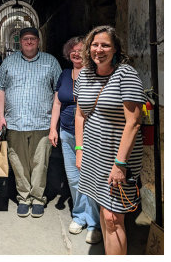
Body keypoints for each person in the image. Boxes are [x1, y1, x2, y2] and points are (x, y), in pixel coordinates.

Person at [74, 25, 146, 255]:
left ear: (115, 48)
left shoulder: (126, 74)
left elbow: (133, 122)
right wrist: (79, 149)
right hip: (94, 156)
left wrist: (120, 164)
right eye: (95, 44)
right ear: (89, 48)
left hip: (118, 159)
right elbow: (79, 114)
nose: (99, 49)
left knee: (113, 218)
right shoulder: (84, 74)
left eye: (105, 45)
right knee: (105, 215)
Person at [0, 27, 62, 218]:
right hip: (15, 123)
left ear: (38, 41)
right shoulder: (9, 62)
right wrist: (1, 117)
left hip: (42, 123)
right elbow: (0, 89)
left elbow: (58, 91)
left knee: (40, 163)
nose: (29, 42)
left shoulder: (50, 62)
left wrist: (53, 126)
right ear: (20, 42)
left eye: (33, 39)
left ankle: (38, 198)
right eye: (26, 39)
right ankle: (24, 197)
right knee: (18, 163)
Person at [49, 36, 102, 244]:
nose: (76, 53)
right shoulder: (64, 74)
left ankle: (95, 223)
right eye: (72, 50)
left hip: (90, 134)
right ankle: (79, 216)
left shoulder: (95, 73)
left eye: (80, 49)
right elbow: (56, 103)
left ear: (88, 51)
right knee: (73, 177)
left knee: (91, 176)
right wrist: (53, 128)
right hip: (66, 132)